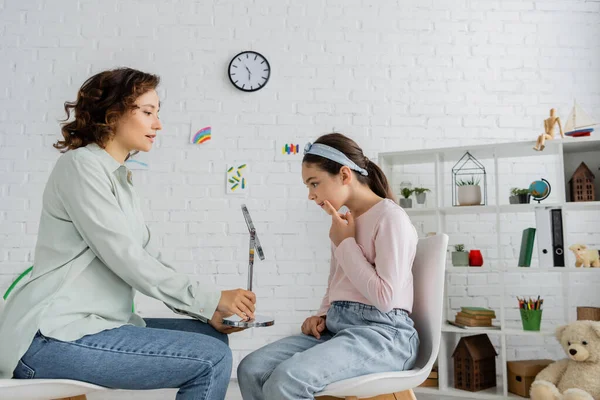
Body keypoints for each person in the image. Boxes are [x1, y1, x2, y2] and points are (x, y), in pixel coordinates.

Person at [0, 67, 256, 400]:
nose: (158, 124)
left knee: (213, 339)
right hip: (49, 337)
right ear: (112, 114)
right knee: (211, 358)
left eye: (157, 113)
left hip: (87, 325)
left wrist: (208, 309)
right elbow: (127, 258)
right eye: (148, 112)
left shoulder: (119, 177)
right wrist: (211, 298)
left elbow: (149, 256)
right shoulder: (81, 167)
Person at [237, 133, 420, 399]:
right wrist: (322, 315)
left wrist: (346, 244)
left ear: (345, 175)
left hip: (385, 336)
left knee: (287, 380)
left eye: (314, 184)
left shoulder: (390, 218)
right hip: (338, 327)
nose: (311, 195)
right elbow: (337, 282)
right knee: (251, 369)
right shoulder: (343, 222)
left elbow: (386, 298)